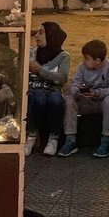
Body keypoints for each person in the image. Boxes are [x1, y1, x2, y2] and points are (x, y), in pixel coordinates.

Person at [61, 39, 109, 158]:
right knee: (69, 99)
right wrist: (76, 92)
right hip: (86, 101)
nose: (84, 61)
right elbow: (74, 83)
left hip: (101, 102)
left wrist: (98, 93)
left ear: (97, 60)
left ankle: (106, 140)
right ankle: (70, 139)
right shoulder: (82, 67)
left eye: (87, 58)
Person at [27, 22, 71, 156]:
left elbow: (62, 78)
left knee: (55, 100)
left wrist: (40, 71)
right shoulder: (32, 53)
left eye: (41, 32)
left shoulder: (64, 57)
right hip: (35, 90)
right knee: (38, 97)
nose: (36, 36)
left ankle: (53, 139)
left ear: (51, 36)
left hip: (53, 91)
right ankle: (31, 136)